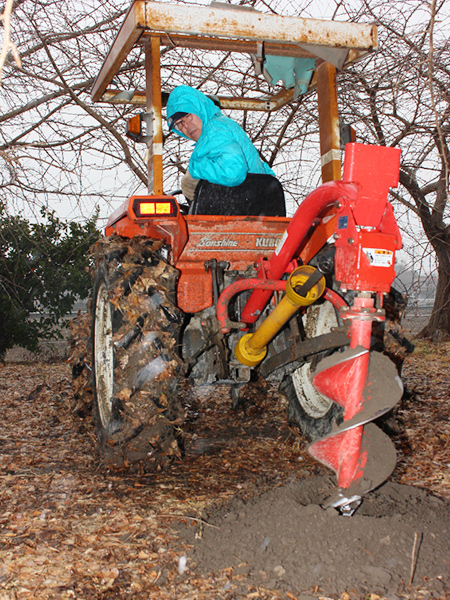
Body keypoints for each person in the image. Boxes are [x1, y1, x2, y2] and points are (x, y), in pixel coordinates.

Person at [167, 85, 284, 216]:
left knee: (189, 180)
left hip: (246, 209)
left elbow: (233, 173)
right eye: (180, 124)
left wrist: (196, 168)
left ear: (198, 108)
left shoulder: (214, 130)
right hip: (260, 207)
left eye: (187, 116)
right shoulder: (221, 126)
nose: (186, 126)